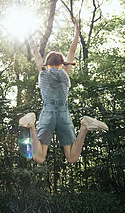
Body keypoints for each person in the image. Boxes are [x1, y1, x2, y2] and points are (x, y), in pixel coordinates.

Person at [19, 18, 108, 163]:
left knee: (39, 158)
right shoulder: (65, 72)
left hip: (47, 113)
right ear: (62, 63)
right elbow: (72, 50)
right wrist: (77, 31)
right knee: (72, 158)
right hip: (63, 114)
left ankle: (31, 126)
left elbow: (35, 51)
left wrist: (29, 31)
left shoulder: (43, 72)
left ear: (47, 63)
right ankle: (84, 127)